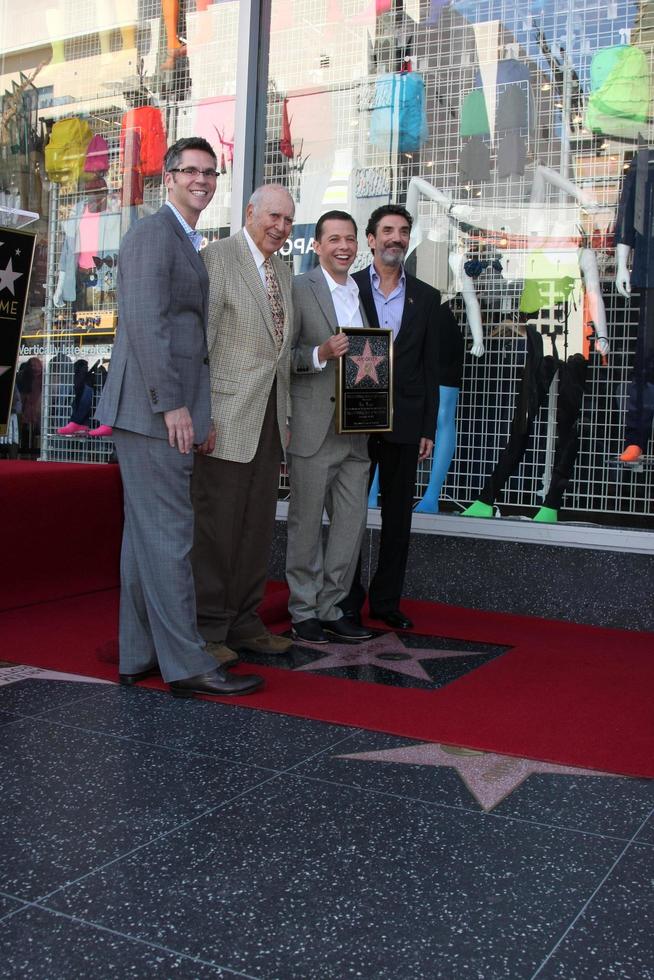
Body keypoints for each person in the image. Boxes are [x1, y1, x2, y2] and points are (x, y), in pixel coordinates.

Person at [96, 136, 263, 698]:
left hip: (159, 409)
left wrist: (194, 406)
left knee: (145, 538)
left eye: (210, 172)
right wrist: (172, 404)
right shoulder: (152, 234)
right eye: (190, 170)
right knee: (170, 534)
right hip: (152, 411)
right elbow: (146, 324)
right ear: (167, 177)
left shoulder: (183, 239)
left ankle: (138, 654)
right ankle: (188, 663)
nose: (202, 180)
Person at [192, 184, 296, 662]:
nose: (280, 227)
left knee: (256, 527)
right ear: (250, 211)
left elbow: (279, 358)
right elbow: (202, 345)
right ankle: (208, 629)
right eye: (273, 216)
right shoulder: (218, 258)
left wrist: (287, 417)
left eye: (289, 221)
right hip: (225, 417)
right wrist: (201, 415)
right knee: (217, 528)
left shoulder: (285, 272)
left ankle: (245, 623)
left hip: (270, 420)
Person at [344, 204, 443, 630]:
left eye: (403, 231)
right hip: (357, 419)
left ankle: (385, 602)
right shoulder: (347, 288)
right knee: (349, 513)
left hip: (405, 420)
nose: (395, 238)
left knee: (398, 517)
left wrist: (427, 427)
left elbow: (430, 367)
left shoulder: (428, 296)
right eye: (387, 230)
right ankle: (346, 601)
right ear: (370, 239)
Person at [286, 211, 374, 644]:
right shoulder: (299, 288)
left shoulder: (363, 292)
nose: (344, 246)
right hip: (312, 426)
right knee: (305, 525)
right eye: (335, 238)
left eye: (350, 239)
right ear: (317, 246)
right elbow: (282, 356)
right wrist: (320, 352)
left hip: (357, 429)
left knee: (349, 525)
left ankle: (332, 607)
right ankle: (303, 611)